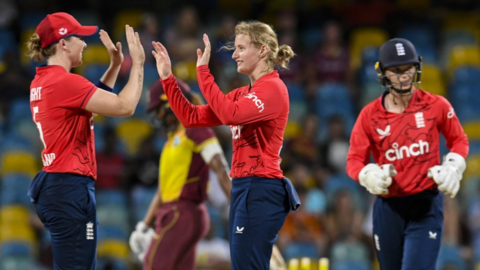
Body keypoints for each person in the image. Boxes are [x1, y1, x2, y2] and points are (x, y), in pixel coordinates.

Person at [151, 20, 300, 270]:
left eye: (241, 48)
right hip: (245, 188)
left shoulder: (273, 89)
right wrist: (168, 79)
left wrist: (203, 73)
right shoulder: (244, 94)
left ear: (262, 50)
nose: (234, 54)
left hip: (261, 188)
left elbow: (230, 115)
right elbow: (191, 117)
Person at [26, 12, 145, 270]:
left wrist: (114, 67)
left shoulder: (44, 80)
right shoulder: (63, 82)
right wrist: (138, 64)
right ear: (63, 43)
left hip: (59, 185)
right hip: (69, 187)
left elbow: (92, 105)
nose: (85, 43)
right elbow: (125, 107)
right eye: (79, 37)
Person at [346, 38, 469, 270]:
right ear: (382, 72)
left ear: (417, 67)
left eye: (408, 69)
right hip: (388, 209)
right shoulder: (368, 115)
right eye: (396, 70)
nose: (403, 76)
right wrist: (367, 175)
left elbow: (459, 140)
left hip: (425, 205)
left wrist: (454, 165)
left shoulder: (437, 105)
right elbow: (354, 160)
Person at [128, 79, 232, 270]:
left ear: (170, 103)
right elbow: (162, 190)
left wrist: (239, 208)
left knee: (153, 265)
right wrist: (144, 225)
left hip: (180, 213)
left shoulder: (194, 128)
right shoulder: (172, 140)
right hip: (178, 214)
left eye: (159, 109)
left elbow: (221, 168)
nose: (158, 116)